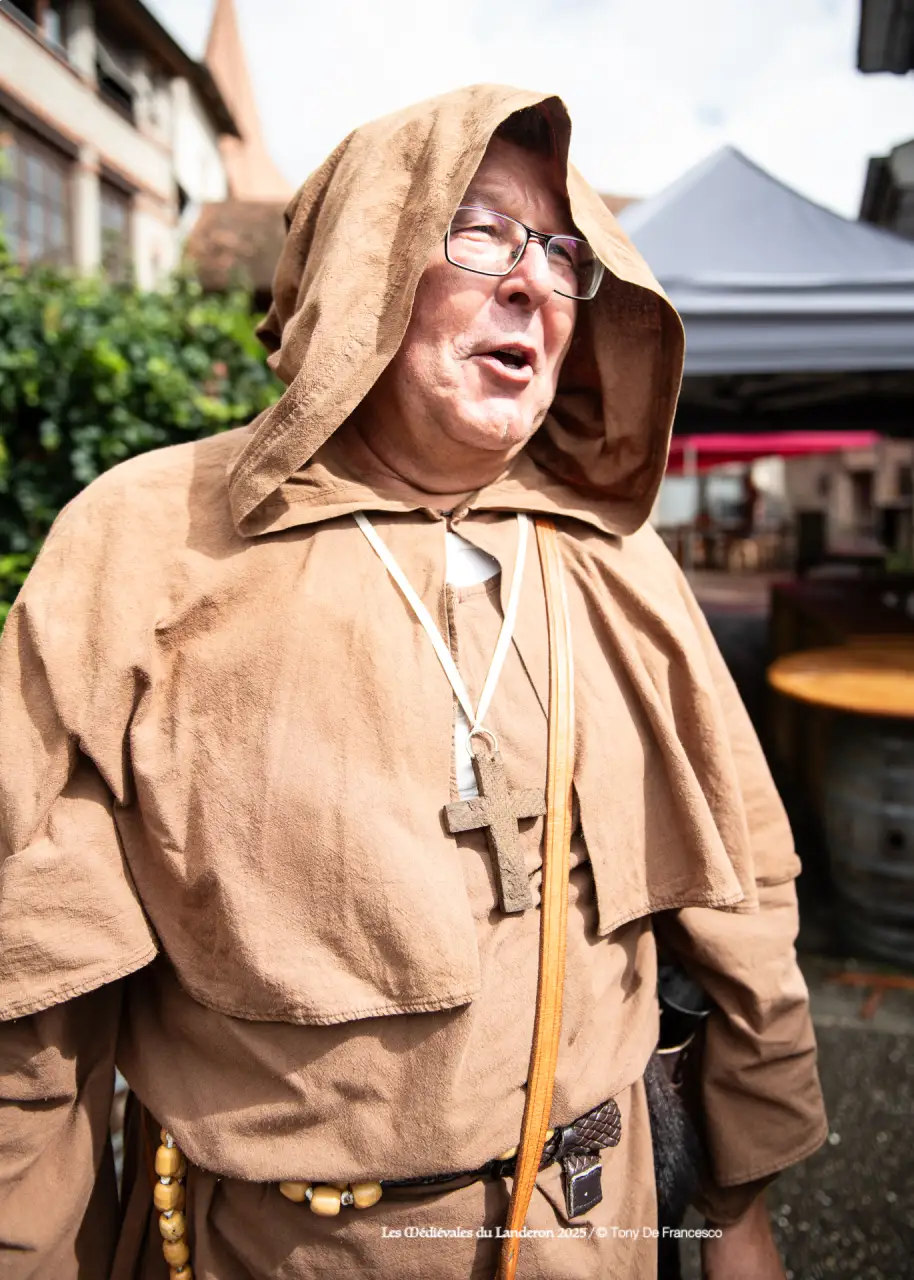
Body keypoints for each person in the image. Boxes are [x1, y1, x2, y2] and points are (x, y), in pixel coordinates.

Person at [0, 85, 827, 1280]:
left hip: (600, 1225)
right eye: (481, 229)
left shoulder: (616, 560)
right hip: (278, 1249)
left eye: (559, 251)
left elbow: (742, 894)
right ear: (364, 260)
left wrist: (739, 1202)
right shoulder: (149, 542)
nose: (532, 282)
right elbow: (30, 989)